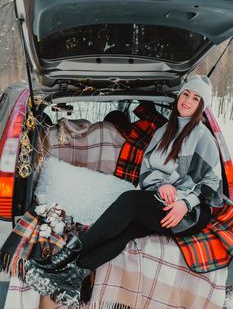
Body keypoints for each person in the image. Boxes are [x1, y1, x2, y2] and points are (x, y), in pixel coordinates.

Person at [27, 75, 223, 294]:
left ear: (201, 106)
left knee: (131, 201)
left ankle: (62, 257)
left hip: (190, 212)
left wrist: (186, 203)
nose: (187, 100)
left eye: (196, 99)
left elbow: (212, 183)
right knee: (128, 229)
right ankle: (75, 275)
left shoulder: (203, 136)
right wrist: (161, 186)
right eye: (186, 94)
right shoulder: (164, 131)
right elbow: (146, 170)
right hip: (165, 200)